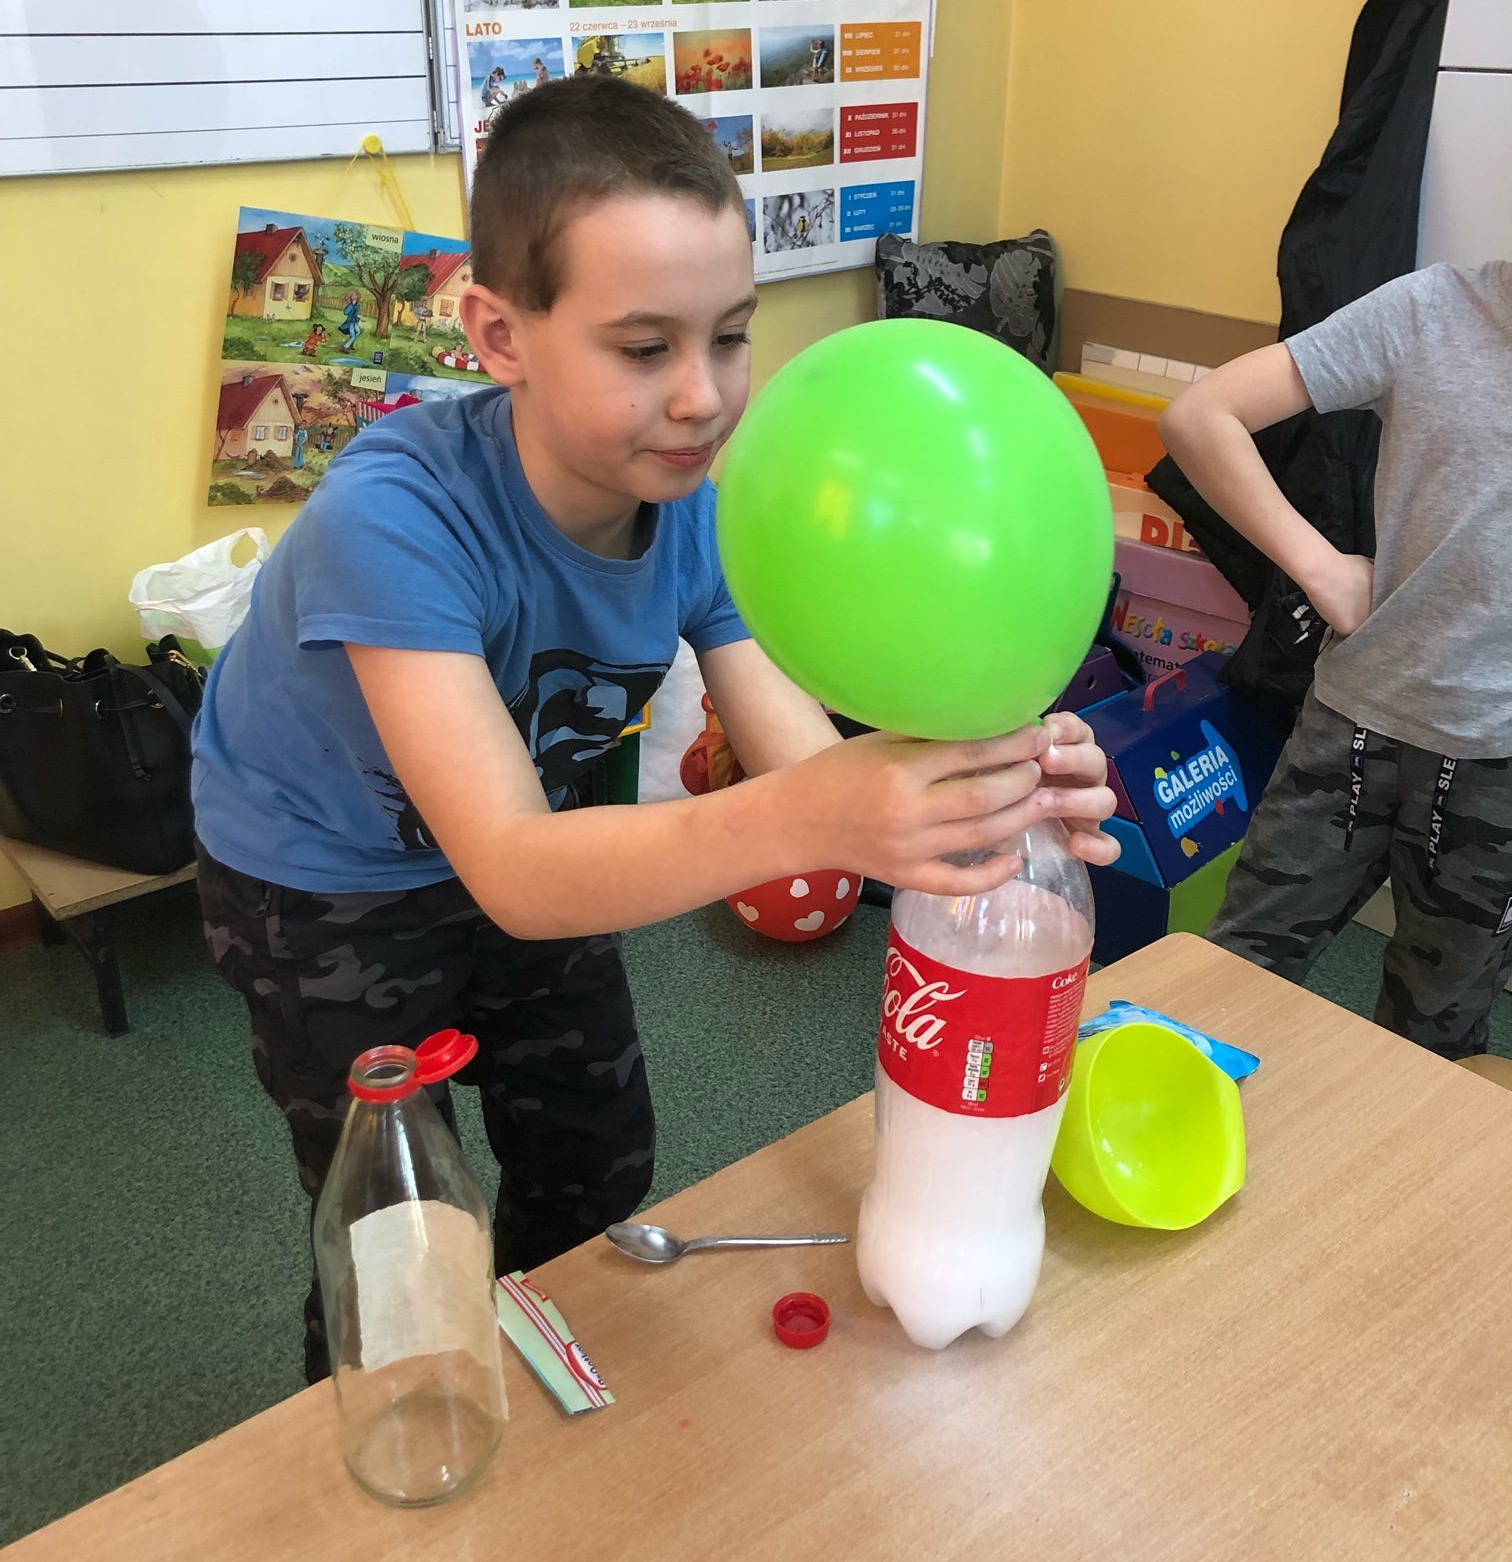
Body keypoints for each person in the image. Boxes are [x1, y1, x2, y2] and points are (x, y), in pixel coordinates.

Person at [191, 76, 1118, 1382]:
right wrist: (817, 810)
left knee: (597, 1153)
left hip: (549, 854)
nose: (704, 397)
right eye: (643, 349)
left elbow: (810, 763)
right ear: (499, 334)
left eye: (730, 337)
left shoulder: (693, 513)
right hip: (324, 882)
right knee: (400, 1236)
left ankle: (538, 1357)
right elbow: (519, 868)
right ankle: (391, 1404)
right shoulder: (391, 516)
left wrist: (987, 787)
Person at [1158, 261, 1512, 1061]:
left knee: (1438, 1036)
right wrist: (1318, 567)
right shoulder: (1429, 309)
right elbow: (1201, 416)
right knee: (1230, 979)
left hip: (1498, 763)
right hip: (1355, 726)